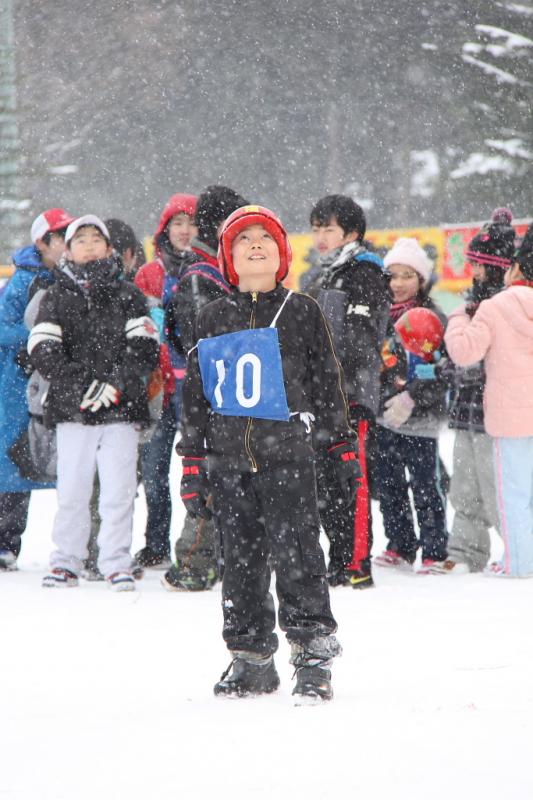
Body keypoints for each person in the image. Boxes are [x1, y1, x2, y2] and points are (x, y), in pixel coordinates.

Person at [177, 205, 358, 701]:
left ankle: (313, 656)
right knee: (240, 561)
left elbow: (327, 384)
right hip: (230, 462)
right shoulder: (212, 317)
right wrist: (193, 460)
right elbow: (196, 394)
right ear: (229, 257)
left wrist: (341, 444)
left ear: (281, 253)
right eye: (243, 239)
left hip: (289, 459)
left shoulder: (302, 310)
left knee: (299, 555)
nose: (255, 244)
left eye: (265, 237)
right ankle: (252, 657)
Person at [28, 216, 159, 590]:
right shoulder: (54, 295)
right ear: (67, 249)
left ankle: (116, 561)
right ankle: (66, 560)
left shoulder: (128, 294)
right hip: (72, 410)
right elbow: (43, 349)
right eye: (80, 239)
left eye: (95, 238)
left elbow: (144, 348)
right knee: (72, 489)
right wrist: (84, 385)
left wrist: (114, 386)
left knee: (118, 491)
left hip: (121, 412)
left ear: (109, 248)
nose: (88, 245)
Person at [162, 185, 249, 592]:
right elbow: (201, 343)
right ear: (219, 226)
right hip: (211, 393)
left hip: (234, 390)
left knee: (233, 477)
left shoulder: (221, 267)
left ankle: (227, 559)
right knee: (207, 478)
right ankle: (195, 563)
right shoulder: (201, 274)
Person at [305, 195, 390, 588]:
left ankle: (356, 563)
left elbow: (361, 340)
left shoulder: (365, 272)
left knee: (351, 480)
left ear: (352, 233)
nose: (321, 237)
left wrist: (344, 385)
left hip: (351, 394)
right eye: (317, 228)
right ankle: (337, 559)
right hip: (320, 397)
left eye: (329, 229)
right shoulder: (321, 275)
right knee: (324, 483)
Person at [445, 221, 533, 578]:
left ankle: (518, 562)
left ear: (511, 268)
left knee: (509, 493)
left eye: (479, 264)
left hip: (505, 417)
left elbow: (463, 352)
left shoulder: (493, 306)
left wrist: (455, 319)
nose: (475, 272)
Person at [0, 208, 75, 571]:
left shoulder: (69, 277)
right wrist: (39, 338)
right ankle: (6, 540)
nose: (65, 245)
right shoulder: (22, 280)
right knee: (16, 458)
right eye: (59, 238)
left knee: (45, 455)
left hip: (52, 380)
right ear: (42, 242)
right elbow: (2, 328)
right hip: (17, 383)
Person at [373, 238, 449, 572]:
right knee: (390, 485)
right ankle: (400, 545)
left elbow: (442, 371)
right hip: (386, 416)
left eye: (407, 275)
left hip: (423, 419)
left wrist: (413, 395)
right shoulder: (380, 317)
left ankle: (434, 548)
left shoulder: (432, 316)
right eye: (392, 275)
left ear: (421, 279)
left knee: (425, 485)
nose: (398, 284)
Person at [133, 193, 199, 569]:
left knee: (198, 473)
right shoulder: (149, 274)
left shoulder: (209, 268)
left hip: (196, 391)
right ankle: (155, 544)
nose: (185, 230)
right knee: (155, 474)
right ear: (164, 230)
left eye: (191, 223)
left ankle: (199, 548)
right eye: (178, 223)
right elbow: (144, 332)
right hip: (159, 389)